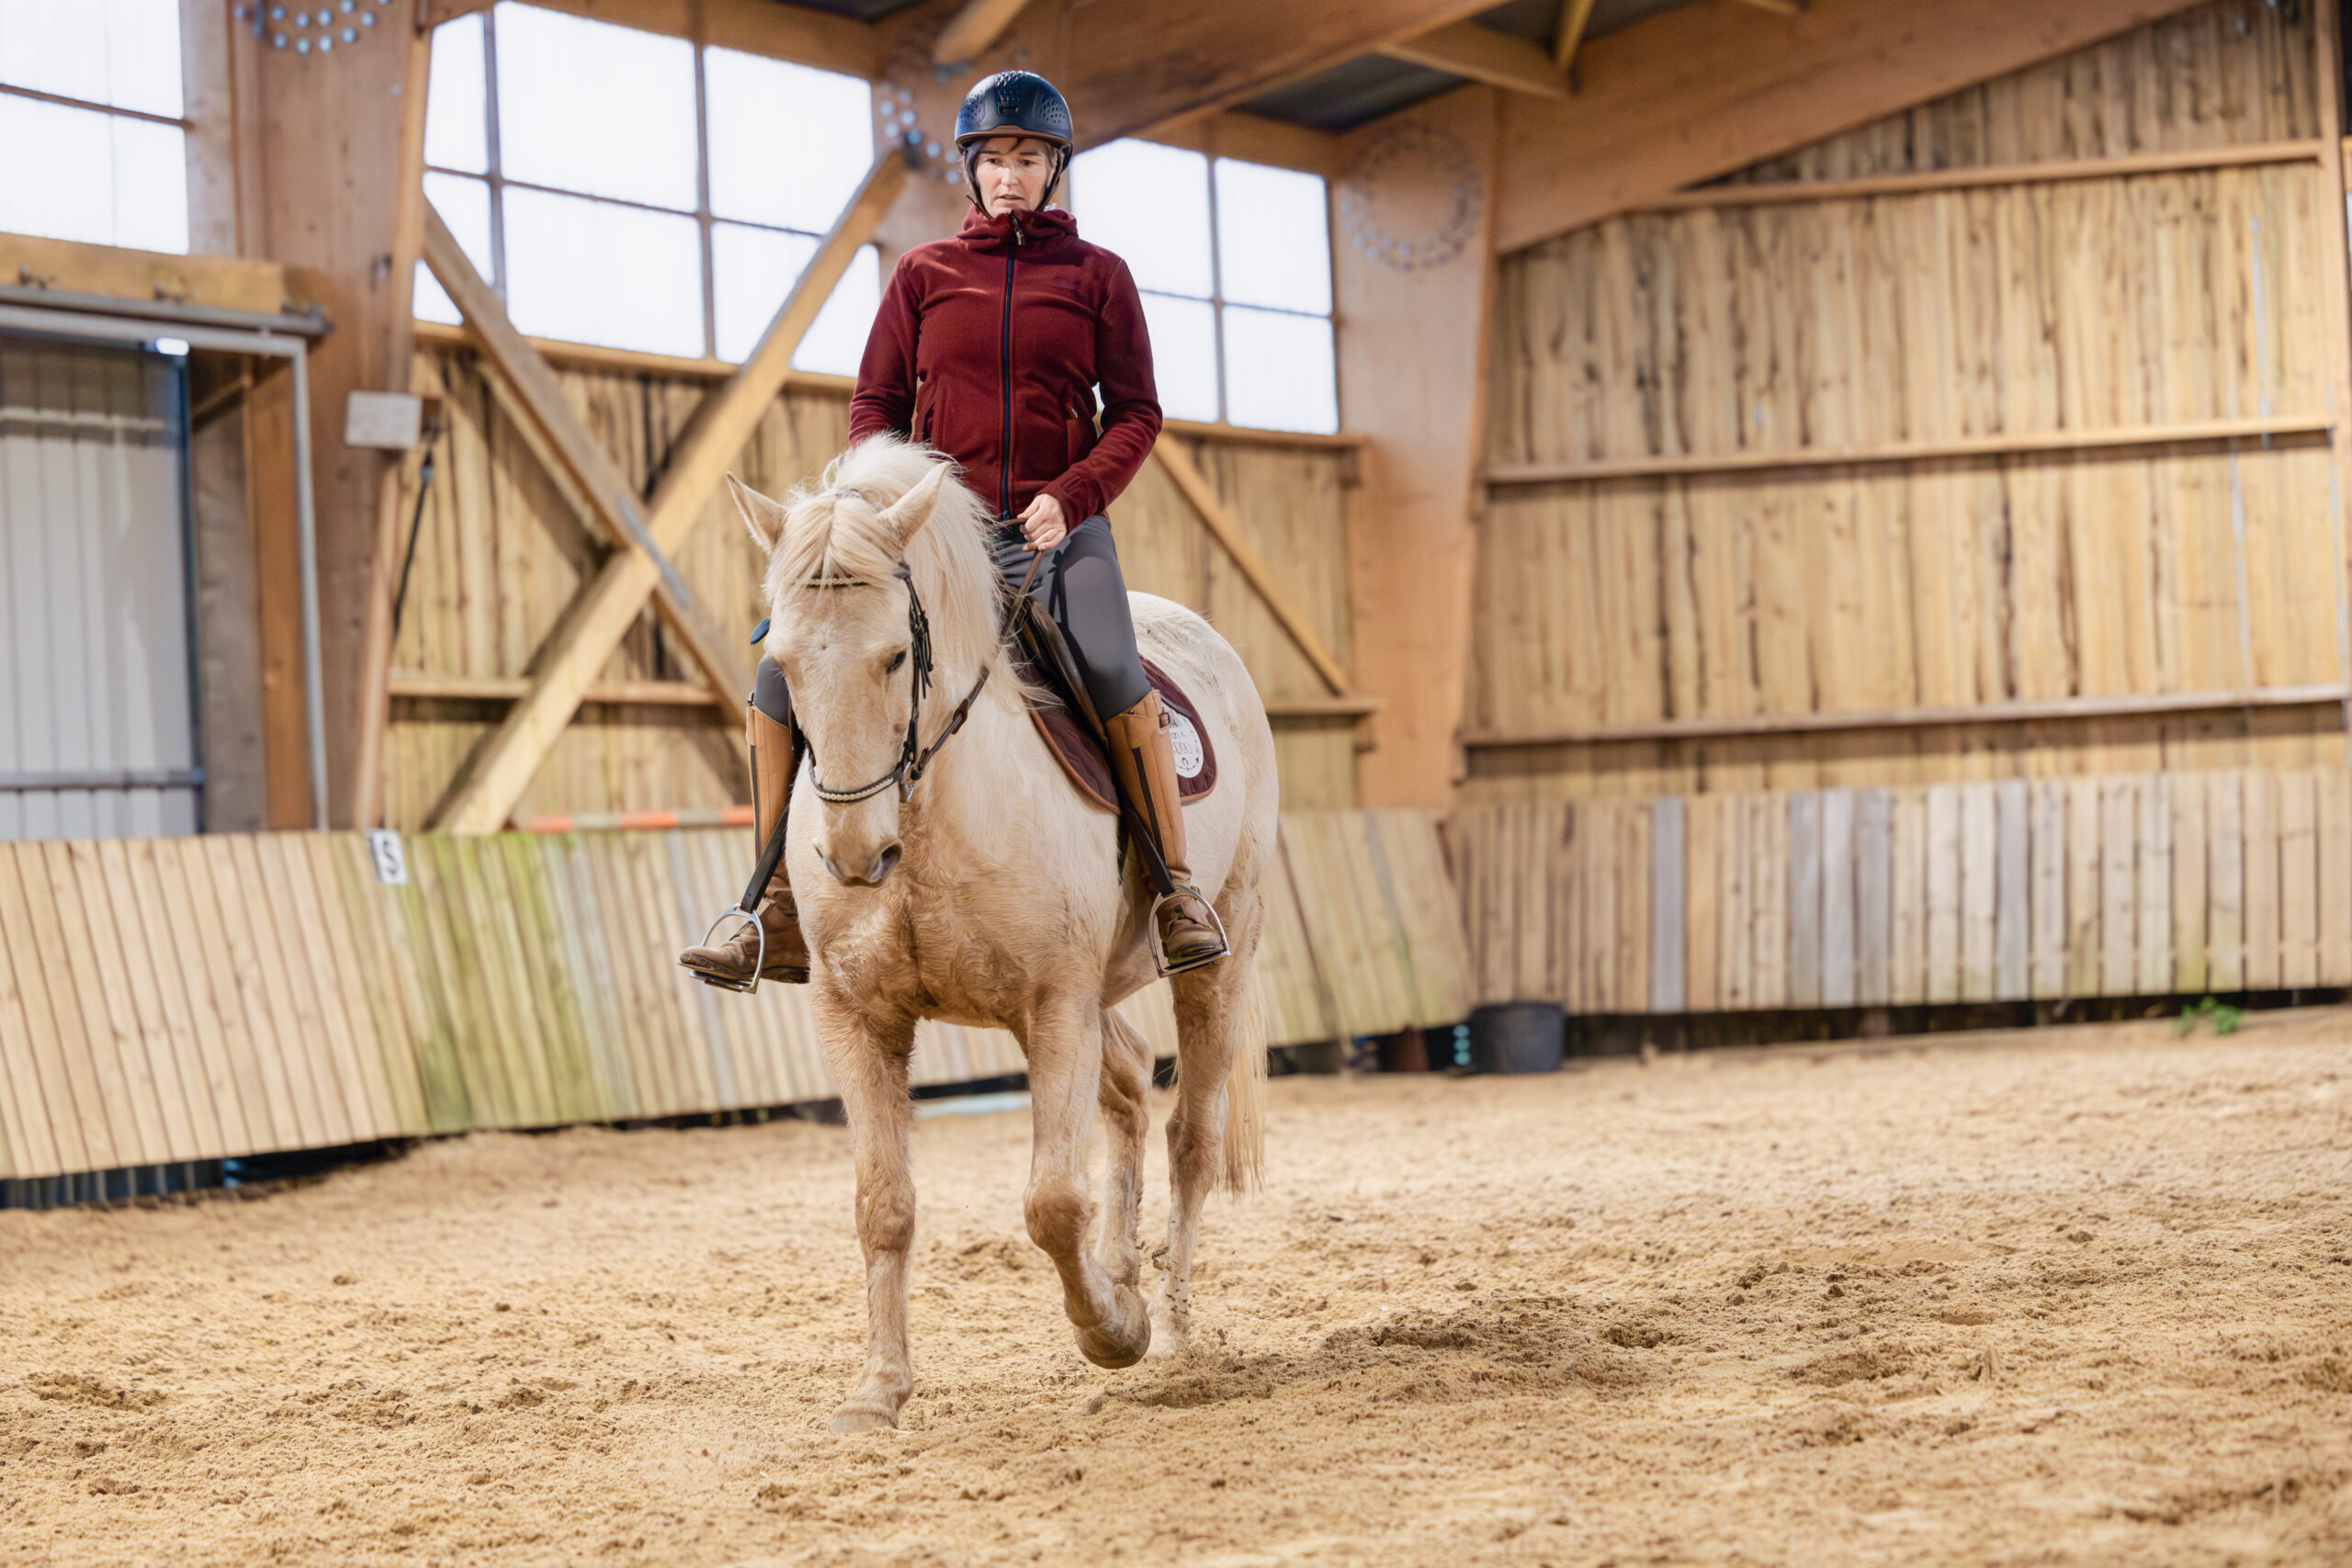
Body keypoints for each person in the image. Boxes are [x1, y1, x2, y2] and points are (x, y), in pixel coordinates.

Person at [679, 68, 1228, 988]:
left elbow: (1135, 413)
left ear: (1054, 170)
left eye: (1028, 159)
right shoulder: (923, 275)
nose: (1009, 177)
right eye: (994, 160)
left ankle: (1174, 889)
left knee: (1109, 665)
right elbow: (875, 402)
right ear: (969, 172)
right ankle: (765, 899)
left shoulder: (1099, 278)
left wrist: (1075, 494)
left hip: (1058, 531)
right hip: (930, 538)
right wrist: (883, 497)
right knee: (784, 668)